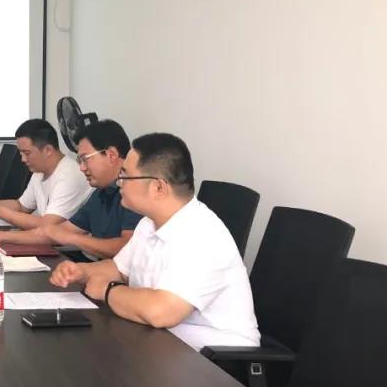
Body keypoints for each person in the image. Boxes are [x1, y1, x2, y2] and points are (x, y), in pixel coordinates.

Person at [49, 133, 260, 351]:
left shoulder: (202, 235)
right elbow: (119, 269)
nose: (119, 183)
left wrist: (107, 290)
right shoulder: (148, 223)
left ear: (159, 188)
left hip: (217, 359)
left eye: (126, 176)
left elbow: (161, 311)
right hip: (164, 344)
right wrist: (82, 272)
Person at [0, 119, 141, 258]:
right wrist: (0, 236)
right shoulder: (101, 193)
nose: (82, 168)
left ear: (111, 155)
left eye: (85, 159)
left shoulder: (136, 192)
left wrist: (72, 239)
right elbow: (55, 232)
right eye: (79, 161)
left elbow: (127, 248)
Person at [0, 118, 90, 242]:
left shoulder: (70, 175)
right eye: (21, 153)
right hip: (46, 242)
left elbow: (47, 226)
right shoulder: (39, 171)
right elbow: (21, 206)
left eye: (27, 153)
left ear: (48, 150)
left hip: (68, 249)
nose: (23, 159)